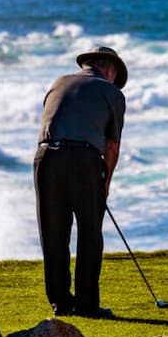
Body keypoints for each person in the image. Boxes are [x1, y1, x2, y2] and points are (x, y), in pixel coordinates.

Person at [33, 46, 127, 318]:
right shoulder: (113, 93)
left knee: (53, 234)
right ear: (110, 69)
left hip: (45, 157)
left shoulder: (58, 83)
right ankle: (87, 305)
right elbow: (111, 147)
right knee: (89, 233)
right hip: (83, 159)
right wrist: (106, 182)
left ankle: (61, 304)